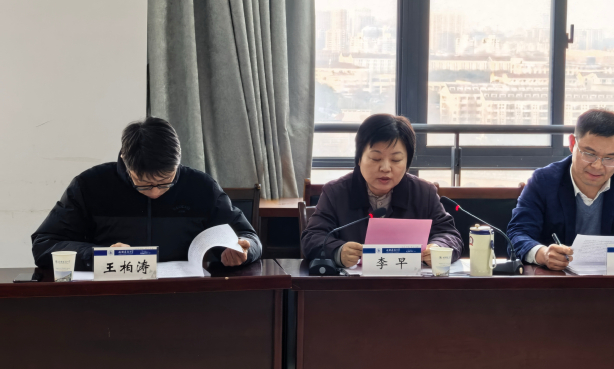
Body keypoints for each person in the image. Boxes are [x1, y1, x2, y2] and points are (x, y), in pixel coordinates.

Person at [32, 117, 261, 270]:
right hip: (110, 296)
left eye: (165, 183)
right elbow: (44, 245)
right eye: (143, 185)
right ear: (125, 161)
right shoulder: (90, 185)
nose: (155, 192)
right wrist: (98, 255)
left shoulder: (201, 187)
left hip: (183, 295)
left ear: (177, 163)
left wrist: (244, 251)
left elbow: (249, 237)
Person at [507, 109, 614, 271]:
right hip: (556, 282)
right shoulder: (544, 181)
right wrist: (543, 254)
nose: (597, 166)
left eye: (610, 157)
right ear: (572, 143)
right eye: (589, 154)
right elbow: (517, 234)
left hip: (613, 283)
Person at [302, 114, 463, 267]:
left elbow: (449, 234)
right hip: (354, 285)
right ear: (359, 158)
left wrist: (438, 248)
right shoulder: (336, 192)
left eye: (396, 160)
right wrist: (338, 251)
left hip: (410, 283)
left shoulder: (424, 192)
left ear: (407, 162)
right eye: (375, 158)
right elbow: (312, 237)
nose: (385, 168)